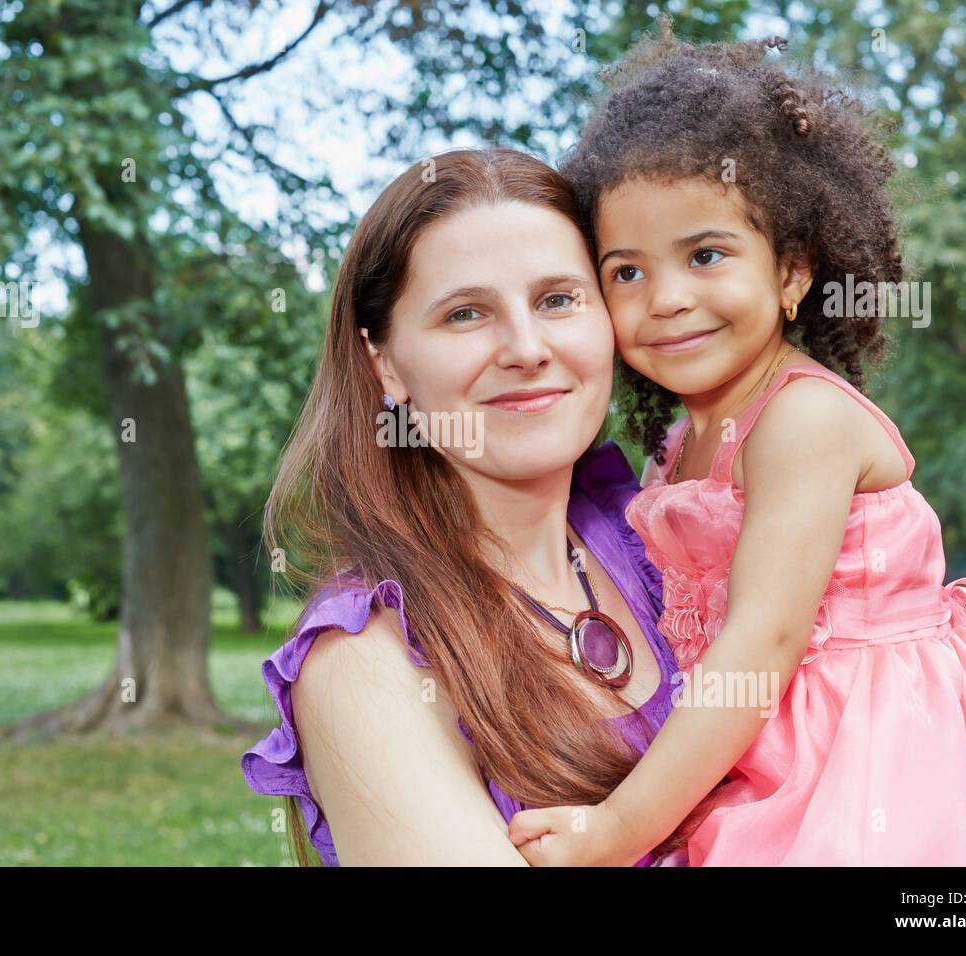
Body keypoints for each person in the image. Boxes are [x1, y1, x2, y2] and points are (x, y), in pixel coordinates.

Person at [505, 21, 966, 866]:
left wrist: (621, 828)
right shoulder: (677, 443)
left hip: (861, 762)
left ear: (792, 273)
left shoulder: (801, 421)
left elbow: (763, 641)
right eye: (626, 270)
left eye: (706, 254)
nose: (664, 298)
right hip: (751, 741)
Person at [241, 147, 719, 866]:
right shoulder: (365, 664)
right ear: (387, 365)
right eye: (466, 314)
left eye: (558, 299)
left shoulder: (667, 547)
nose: (527, 349)